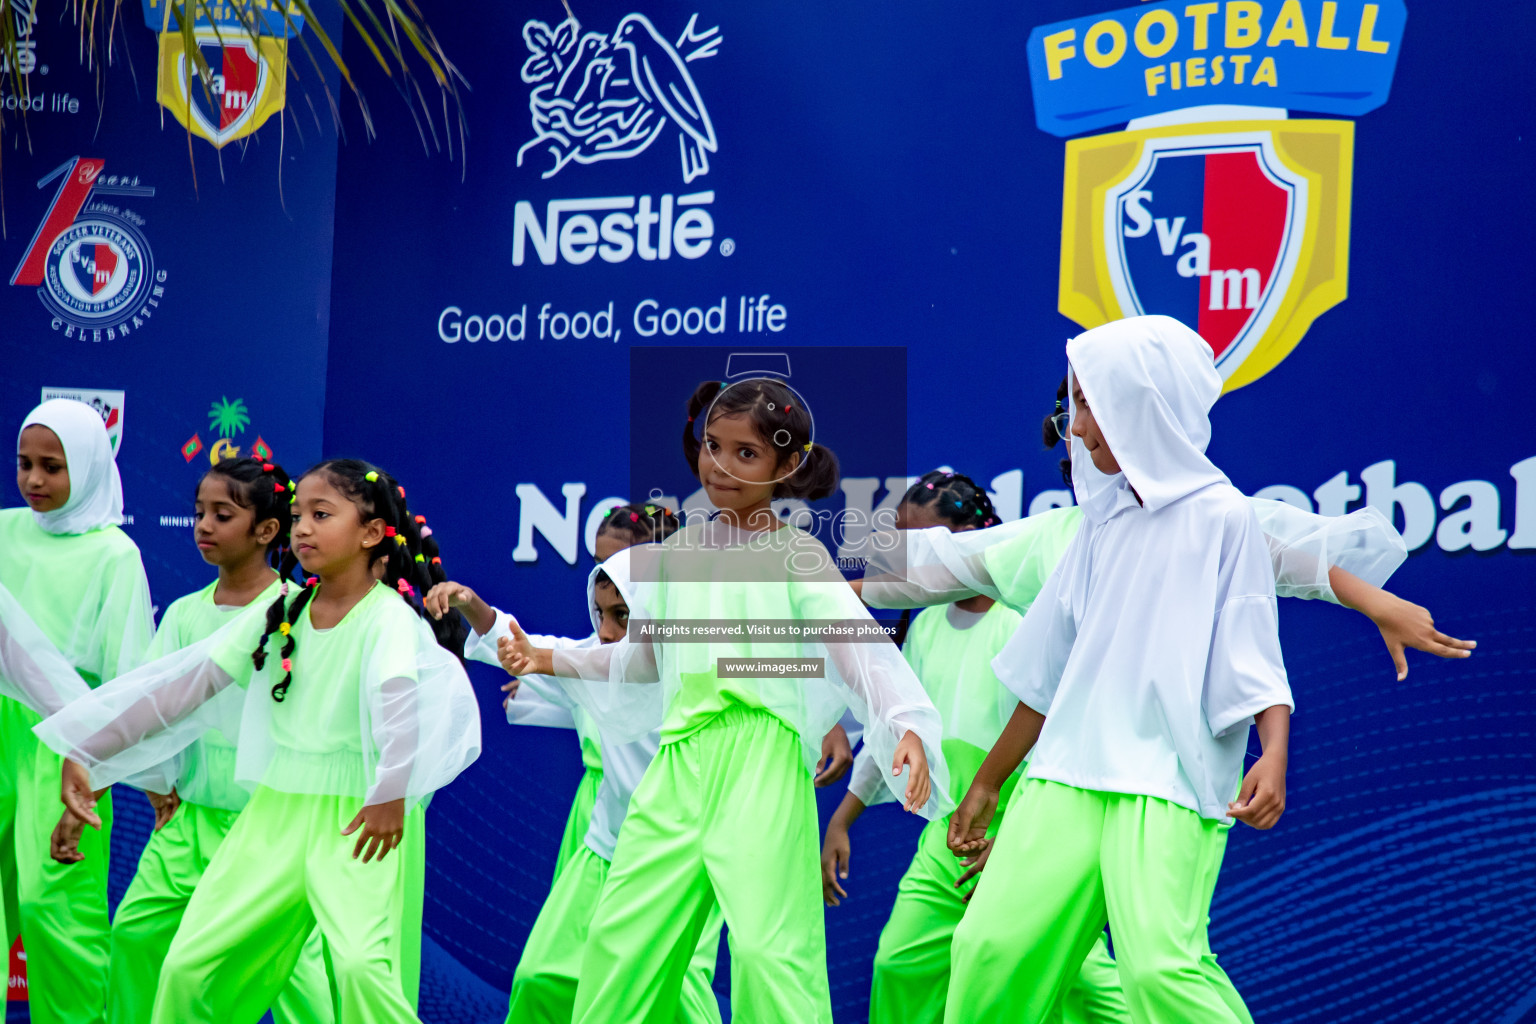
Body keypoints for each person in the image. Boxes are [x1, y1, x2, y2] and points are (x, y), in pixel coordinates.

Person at [942, 315, 1385, 1020]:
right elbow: (1048, 673)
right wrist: (990, 783)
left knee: (1159, 972)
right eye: (1075, 404)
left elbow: (1252, 653)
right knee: (989, 949)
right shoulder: (1099, 524)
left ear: (1140, 402)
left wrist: (1274, 755)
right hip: (1067, 775)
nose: (1076, 428)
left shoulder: (1223, 520)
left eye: (1088, 404)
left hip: (1169, 779)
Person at [500, 376, 948, 1023]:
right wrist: (545, 657)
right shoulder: (676, 553)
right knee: (619, 943)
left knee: (770, 955)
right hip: (676, 767)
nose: (722, 465)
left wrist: (902, 722)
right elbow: (645, 659)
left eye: (746, 452)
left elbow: (856, 649)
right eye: (713, 446)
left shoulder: (799, 555)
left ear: (787, 465)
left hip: (760, 767)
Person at [36, 459, 481, 1022]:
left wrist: (390, 791)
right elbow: (180, 691)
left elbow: (398, 704)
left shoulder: (387, 618)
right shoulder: (282, 611)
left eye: (322, 515)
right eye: (298, 516)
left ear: (371, 533)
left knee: (358, 969)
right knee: (189, 966)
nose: (303, 529)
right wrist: (89, 752)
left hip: (359, 816)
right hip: (274, 812)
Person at [824, 469, 1132, 1024]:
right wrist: (842, 820)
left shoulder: (1024, 618)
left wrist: (1014, 843)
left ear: (968, 540)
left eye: (923, 545)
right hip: (947, 842)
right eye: (901, 542)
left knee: (1085, 985)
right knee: (899, 966)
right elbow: (896, 734)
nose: (908, 560)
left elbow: (1062, 739)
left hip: (1026, 837)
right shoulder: (924, 628)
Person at [50, 458, 332, 1023]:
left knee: (295, 971)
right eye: (199, 512)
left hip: (268, 825)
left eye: (222, 515)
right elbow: (152, 705)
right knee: (135, 936)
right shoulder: (183, 614)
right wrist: (128, 778)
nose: (203, 525)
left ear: (266, 530)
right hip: (190, 818)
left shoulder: (299, 613)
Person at [0, 398, 153, 1024]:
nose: (34, 480)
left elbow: (129, 678)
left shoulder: (115, 555)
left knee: (51, 907)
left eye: (52, 467)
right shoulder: (3, 528)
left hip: (66, 744)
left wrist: (96, 759)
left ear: (89, 467)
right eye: (24, 464)